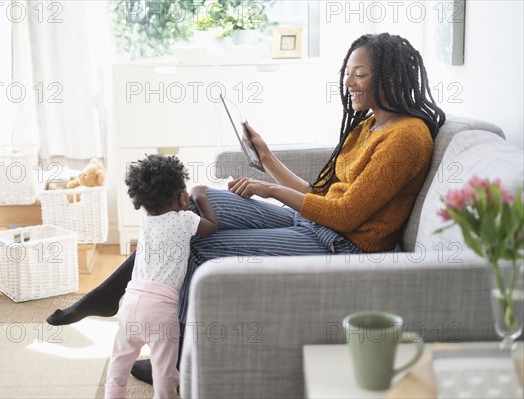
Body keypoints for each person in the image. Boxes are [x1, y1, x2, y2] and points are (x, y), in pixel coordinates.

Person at [47, 32, 445, 383]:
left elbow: (344, 216)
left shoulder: (406, 138)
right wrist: (266, 156)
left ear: (391, 77)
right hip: (316, 224)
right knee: (200, 199)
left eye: (360, 73)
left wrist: (269, 190)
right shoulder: (368, 124)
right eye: (348, 72)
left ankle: (176, 359)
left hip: (343, 244)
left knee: (198, 245)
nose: (348, 82)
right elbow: (320, 194)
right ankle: (115, 292)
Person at [104, 154, 217, 398]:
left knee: (119, 363)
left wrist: (187, 196)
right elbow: (212, 226)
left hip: (131, 301)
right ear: (182, 197)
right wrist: (200, 196)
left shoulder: (146, 221)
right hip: (160, 310)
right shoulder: (185, 219)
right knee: (165, 374)